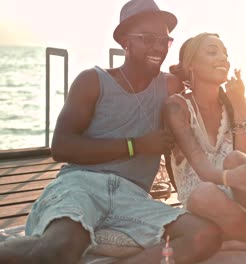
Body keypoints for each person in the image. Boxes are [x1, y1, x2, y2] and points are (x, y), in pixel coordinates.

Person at [0, 1, 223, 263]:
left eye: (164, 40)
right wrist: (135, 146)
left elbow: (202, 87)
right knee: (59, 249)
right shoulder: (92, 81)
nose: (158, 48)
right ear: (125, 42)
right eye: (147, 39)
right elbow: (61, 147)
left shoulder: (169, 86)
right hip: (81, 186)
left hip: (132, 198)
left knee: (205, 235)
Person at [164, 33, 246, 248]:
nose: (223, 59)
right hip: (205, 205)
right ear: (191, 64)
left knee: (237, 158)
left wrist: (240, 107)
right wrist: (232, 178)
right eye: (212, 52)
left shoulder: (230, 104)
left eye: (225, 54)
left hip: (240, 199)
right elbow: (203, 171)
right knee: (205, 193)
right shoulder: (177, 107)